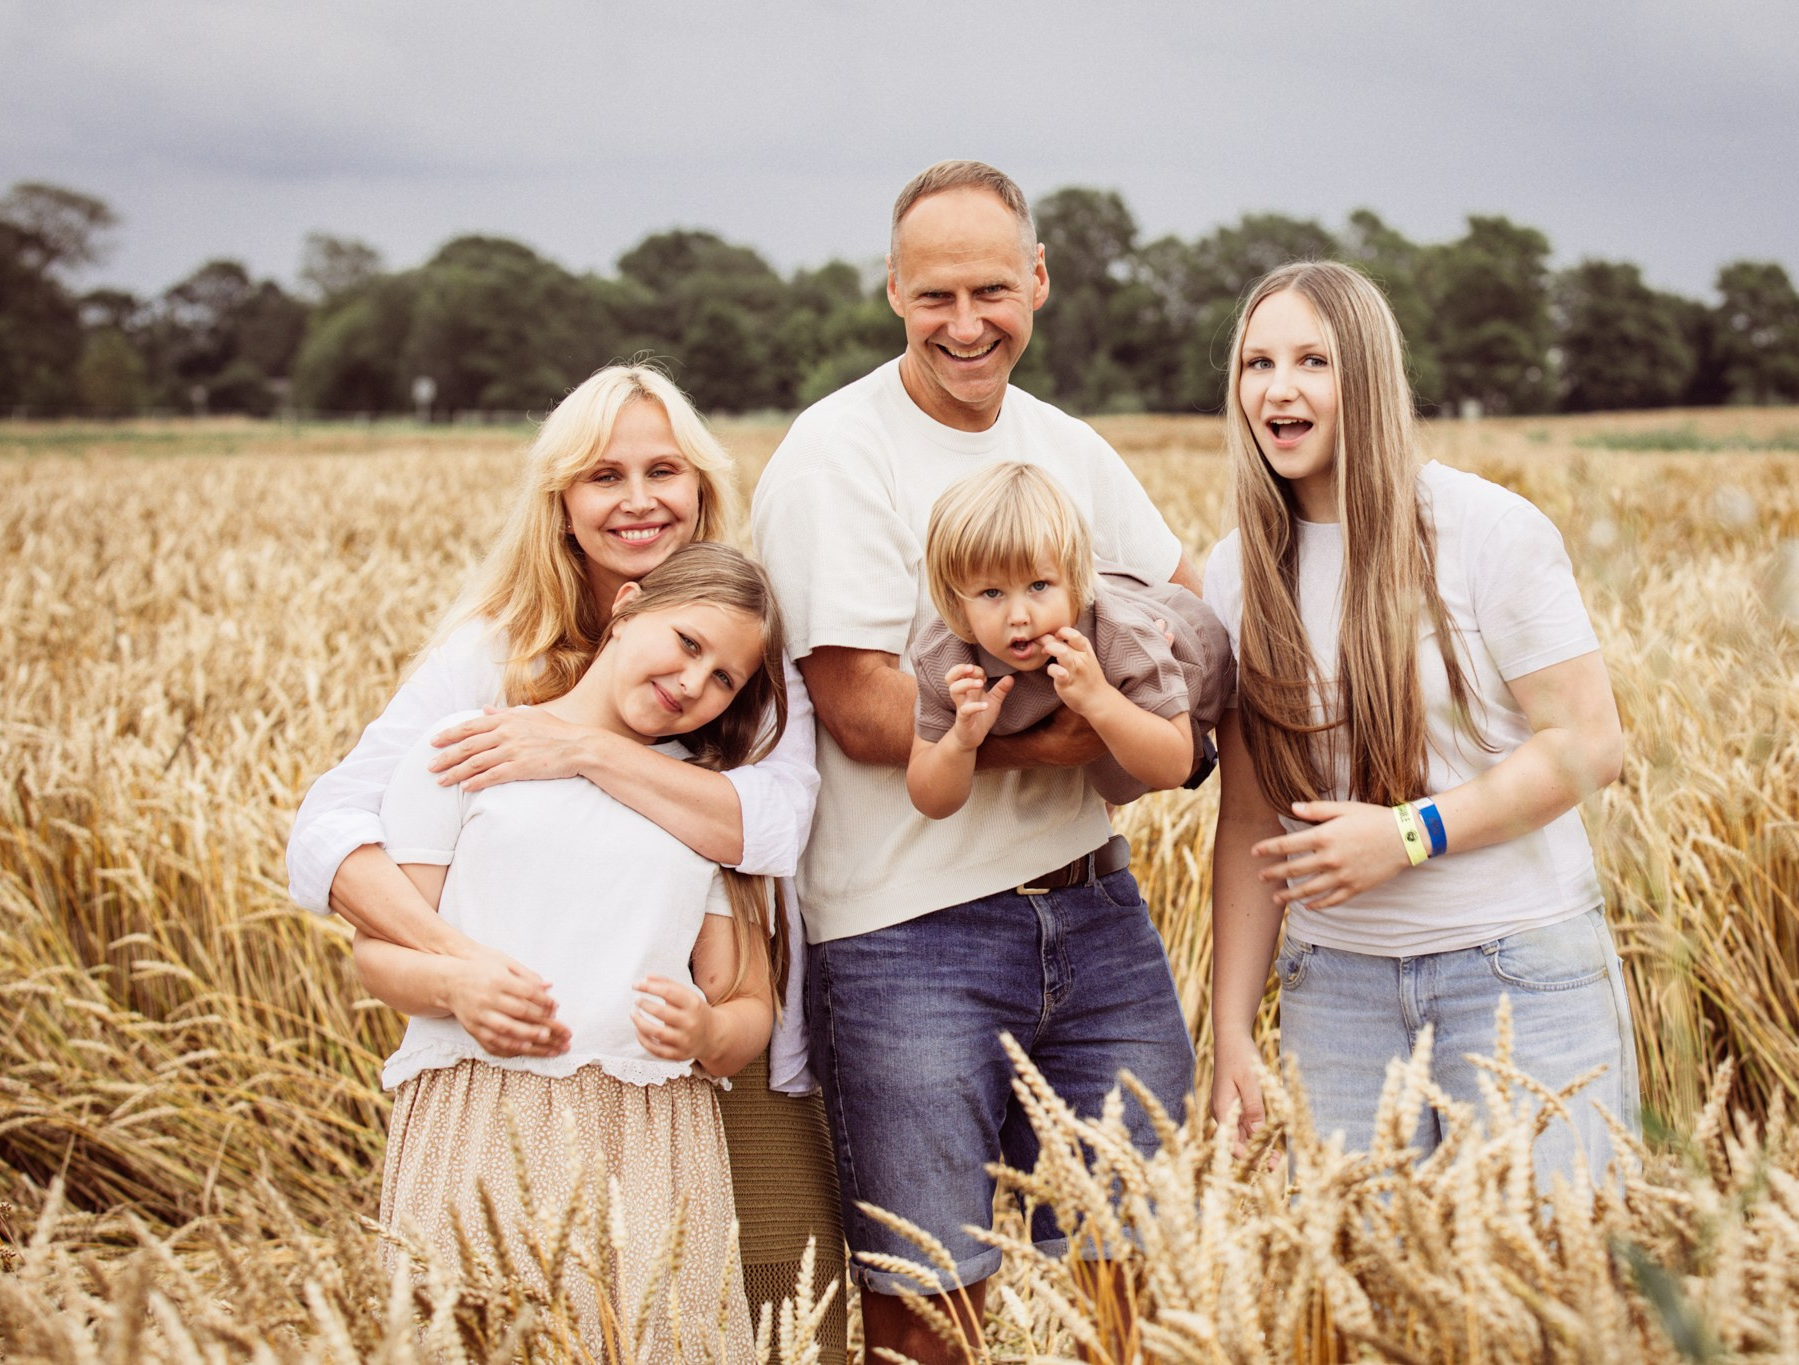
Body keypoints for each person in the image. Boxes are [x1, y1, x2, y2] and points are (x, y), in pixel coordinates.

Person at [285, 363, 848, 1361]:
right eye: (604, 476)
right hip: (497, 1081)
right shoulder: (485, 663)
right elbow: (332, 825)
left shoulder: (745, 650)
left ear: (701, 486)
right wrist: (457, 967)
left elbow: (768, 826)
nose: (638, 500)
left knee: (748, 1308)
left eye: (663, 471)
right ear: (563, 503)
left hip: (682, 1070)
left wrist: (586, 750)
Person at [751, 160, 1197, 1365]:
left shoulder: (1066, 447)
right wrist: (1083, 734)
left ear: (1037, 281)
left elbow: (1184, 608)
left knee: (1133, 1265)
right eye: (934, 295)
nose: (964, 323)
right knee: (928, 1293)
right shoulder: (837, 452)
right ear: (892, 291)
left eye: (990, 290)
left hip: (1092, 910)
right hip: (907, 935)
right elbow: (859, 704)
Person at [1204, 261, 1638, 1181]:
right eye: (1257, 363)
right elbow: (1247, 819)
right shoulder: (1236, 573)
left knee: (1546, 1268)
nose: (1278, 389)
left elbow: (1590, 743)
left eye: (1313, 361)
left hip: (1519, 975)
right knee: (1356, 1271)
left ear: (1366, 375)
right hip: (1335, 995)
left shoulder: (1487, 530)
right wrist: (1232, 1029)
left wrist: (1409, 833)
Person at [362, 544, 781, 1364]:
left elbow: (746, 1007)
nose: (694, 681)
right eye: (688, 642)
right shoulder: (472, 747)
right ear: (625, 609)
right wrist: (455, 983)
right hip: (483, 1114)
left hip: (649, 1135)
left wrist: (705, 1032)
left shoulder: (700, 800)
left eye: (724, 679)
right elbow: (378, 952)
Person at [908, 459, 1229, 817]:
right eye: (992, 593)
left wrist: (1099, 698)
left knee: (1118, 782)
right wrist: (961, 743)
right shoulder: (946, 659)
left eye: (1038, 586)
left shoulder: (1122, 636)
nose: (1019, 616)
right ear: (955, 600)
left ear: (1075, 584)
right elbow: (929, 800)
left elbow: (1175, 766)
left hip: (1200, 658)